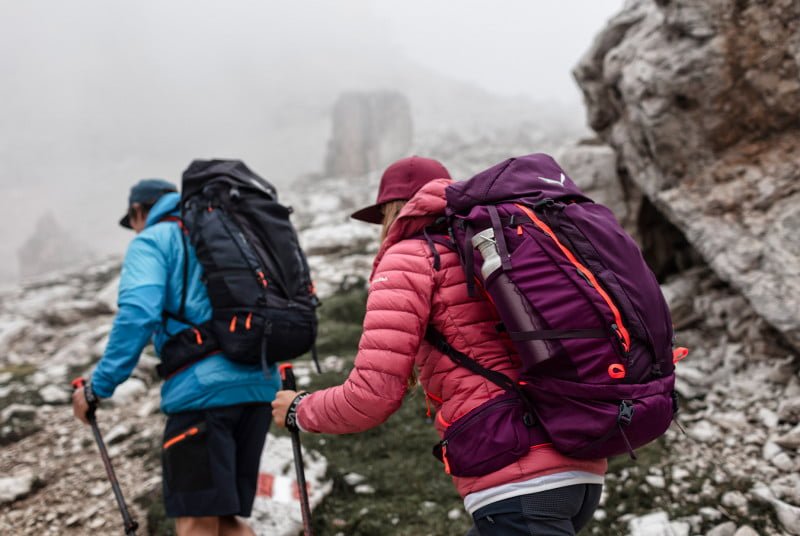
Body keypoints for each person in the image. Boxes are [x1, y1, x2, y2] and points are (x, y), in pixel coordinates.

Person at [272, 156, 607, 535]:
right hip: (578, 467)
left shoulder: (410, 258)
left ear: (392, 211)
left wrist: (300, 409)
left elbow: (372, 395)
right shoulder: (491, 245)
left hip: (516, 476)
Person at [72, 178, 279, 536]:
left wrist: (97, 388)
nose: (135, 229)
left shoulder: (154, 240)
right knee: (226, 519)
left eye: (133, 221)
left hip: (202, 393)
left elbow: (138, 314)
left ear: (140, 211)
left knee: (196, 519)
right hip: (258, 389)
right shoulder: (229, 234)